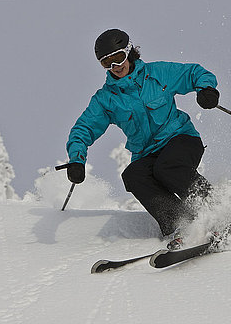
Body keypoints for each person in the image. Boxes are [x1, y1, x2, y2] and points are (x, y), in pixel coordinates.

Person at [65, 29, 220, 250]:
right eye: (106, 63)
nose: (115, 66)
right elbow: (84, 128)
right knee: (133, 175)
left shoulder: (157, 73)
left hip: (180, 138)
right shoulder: (106, 98)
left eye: (118, 58)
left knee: (167, 167)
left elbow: (193, 73)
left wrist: (207, 89)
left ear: (129, 52)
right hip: (147, 153)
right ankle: (181, 224)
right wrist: (76, 159)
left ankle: (214, 209)